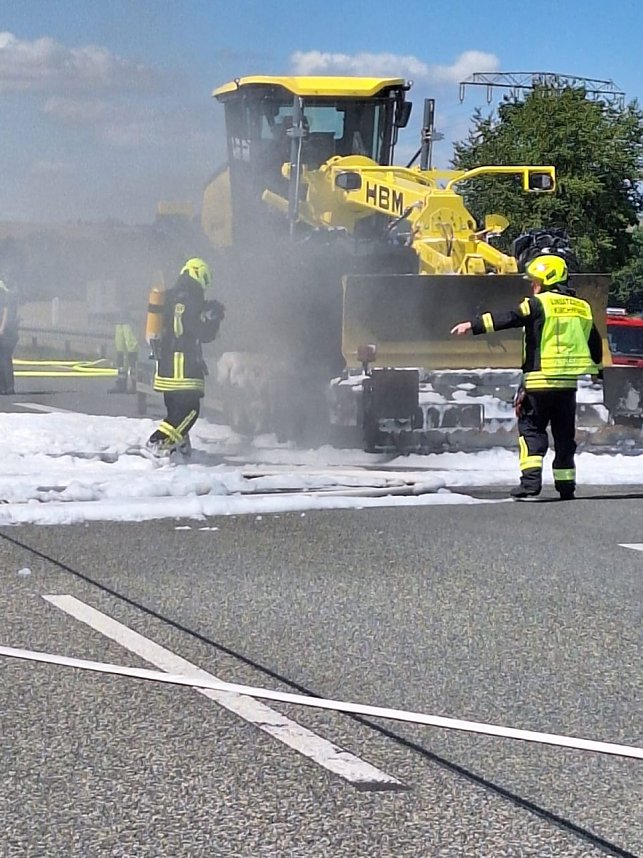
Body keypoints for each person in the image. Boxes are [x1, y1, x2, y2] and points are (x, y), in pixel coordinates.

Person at [450, 254, 603, 500]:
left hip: (539, 383)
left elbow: (510, 317)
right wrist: (598, 371)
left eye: (534, 281)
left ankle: (530, 485)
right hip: (567, 386)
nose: (532, 285)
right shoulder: (582, 307)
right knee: (565, 437)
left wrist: (473, 325)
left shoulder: (537, 304)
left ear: (546, 280)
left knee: (532, 432)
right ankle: (566, 487)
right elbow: (594, 341)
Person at [146, 257, 225, 457]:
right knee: (190, 411)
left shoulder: (172, 296)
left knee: (175, 412)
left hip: (165, 366)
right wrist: (214, 319)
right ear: (198, 273)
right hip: (182, 366)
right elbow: (201, 332)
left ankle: (179, 451)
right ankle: (157, 442)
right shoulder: (190, 298)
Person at [109, 312, 140, 394]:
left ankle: (135, 383)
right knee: (121, 351)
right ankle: (121, 382)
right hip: (120, 320)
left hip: (131, 320)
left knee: (132, 349)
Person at [0, 279, 19, 395]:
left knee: (4, 359)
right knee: (5, 359)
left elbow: (5, 312)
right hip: (11, 332)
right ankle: (7, 387)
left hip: (6, 333)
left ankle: (6, 387)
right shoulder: (11, 295)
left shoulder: (3, 295)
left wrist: (1, 329)